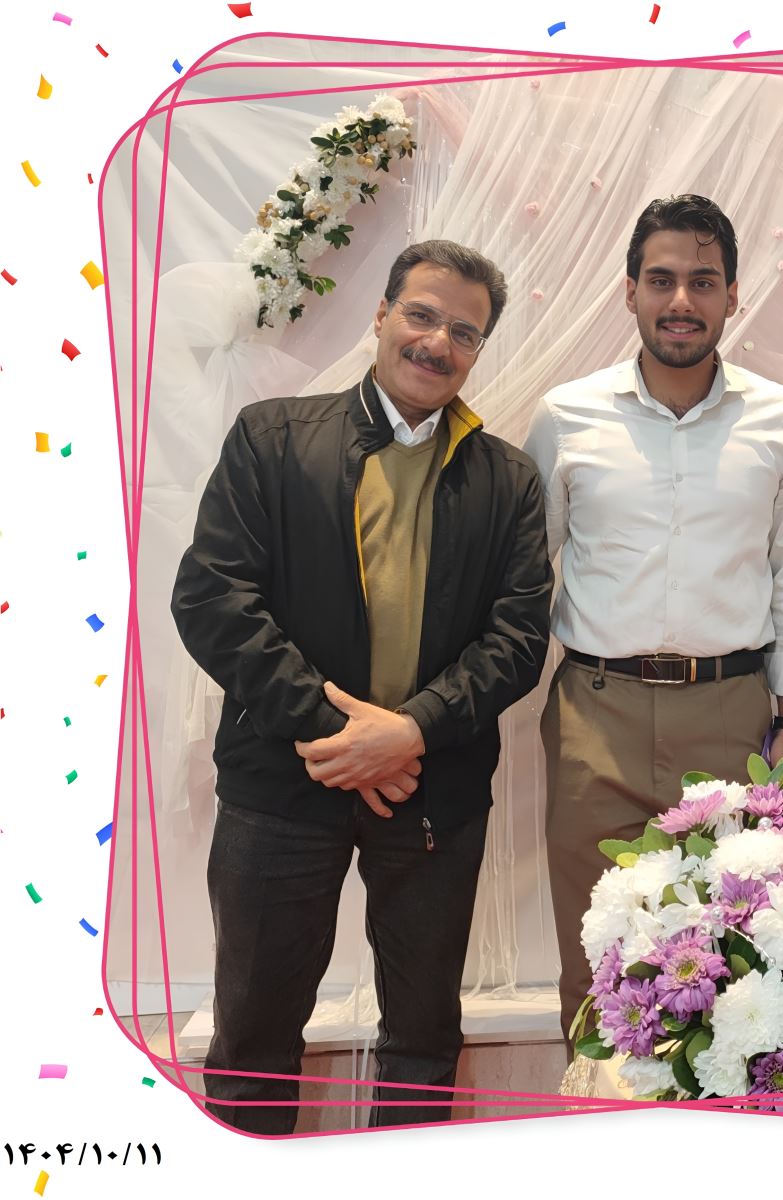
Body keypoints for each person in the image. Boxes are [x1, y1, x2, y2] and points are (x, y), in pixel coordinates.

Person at [171, 240, 552, 1133]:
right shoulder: (272, 438)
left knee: (423, 1038)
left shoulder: (509, 480)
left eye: (464, 331)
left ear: (478, 349)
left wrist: (409, 733)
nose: (437, 342)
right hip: (279, 780)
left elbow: (518, 641)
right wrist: (339, 736)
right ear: (381, 316)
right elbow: (213, 598)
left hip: (432, 789)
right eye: (421, 315)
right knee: (254, 1031)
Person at [523, 195, 783, 1041]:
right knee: (596, 961)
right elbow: (526, 573)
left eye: (703, 280)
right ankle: (599, 1110)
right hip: (596, 717)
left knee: (730, 966)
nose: (681, 300)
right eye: (661, 280)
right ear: (630, 291)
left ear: (733, 295)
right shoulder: (567, 415)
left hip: (733, 719)